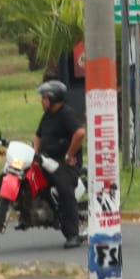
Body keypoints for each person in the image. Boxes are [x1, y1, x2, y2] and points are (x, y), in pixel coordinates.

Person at [33, 80, 86, 248]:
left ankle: (73, 234)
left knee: (64, 188)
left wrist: (69, 154)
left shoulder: (66, 114)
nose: (42, 101)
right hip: (45, 160)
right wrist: (35, 154)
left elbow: (79, 133)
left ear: (54, 99)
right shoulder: (47, 116)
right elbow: (38, 136)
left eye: (45, 98)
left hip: (65, 164)